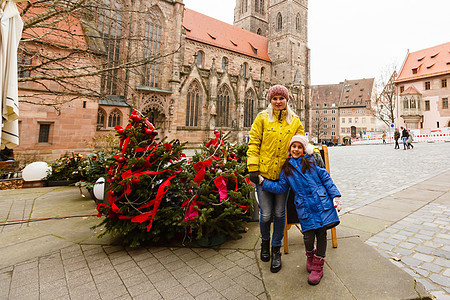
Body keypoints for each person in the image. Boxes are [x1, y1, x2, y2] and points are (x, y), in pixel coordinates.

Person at [258, 134, 341, 285]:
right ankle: (310, 256)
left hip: (320, 203)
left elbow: (325, 178)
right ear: (290, 149)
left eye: (299, 147)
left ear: (304, 149)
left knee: (321, 234)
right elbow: (281, 187)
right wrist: (264, 182)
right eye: (293, 146)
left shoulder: (311, 161)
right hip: (305, 208)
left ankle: (318, 267)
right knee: (308, 237)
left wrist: (335, 195)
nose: (296, 149)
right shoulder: (287, 168)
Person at [247, 84, 305, 273]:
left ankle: (276, 250)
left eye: (282, 98)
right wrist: (253, 168)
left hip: (283, 177)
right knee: (265, 214)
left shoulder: (295, 121)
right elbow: (254, 142)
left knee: (280, 214)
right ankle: (265, 242)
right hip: (263, 175)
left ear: (287, 100)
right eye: (275, 98)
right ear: (270, 101)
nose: (278, 101)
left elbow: (301, 145)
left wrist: (299, 162)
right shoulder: (262, 118)